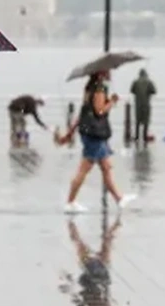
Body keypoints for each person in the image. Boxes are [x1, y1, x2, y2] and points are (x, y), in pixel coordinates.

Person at [63, 71, 137, 213]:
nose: (111, 73)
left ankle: (119, 199)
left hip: (90, 132)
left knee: (106, 167)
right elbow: (100, 111)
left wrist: (71, 130)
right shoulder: (99, 88)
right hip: (94, 134)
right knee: (84, 169)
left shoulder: (90, 87)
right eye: (108, 71)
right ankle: (70, 202)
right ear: (101, 73)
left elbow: (85, 110)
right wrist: (112, 102)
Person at [129, 69, 157, 143]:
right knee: (146, 121)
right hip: (146, 104)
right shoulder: (149, 82)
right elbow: (154, 91)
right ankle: (145, 136)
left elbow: (132, 90)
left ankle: (137, 137)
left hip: (138, 104)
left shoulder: (135, 82)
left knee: (137, 121)